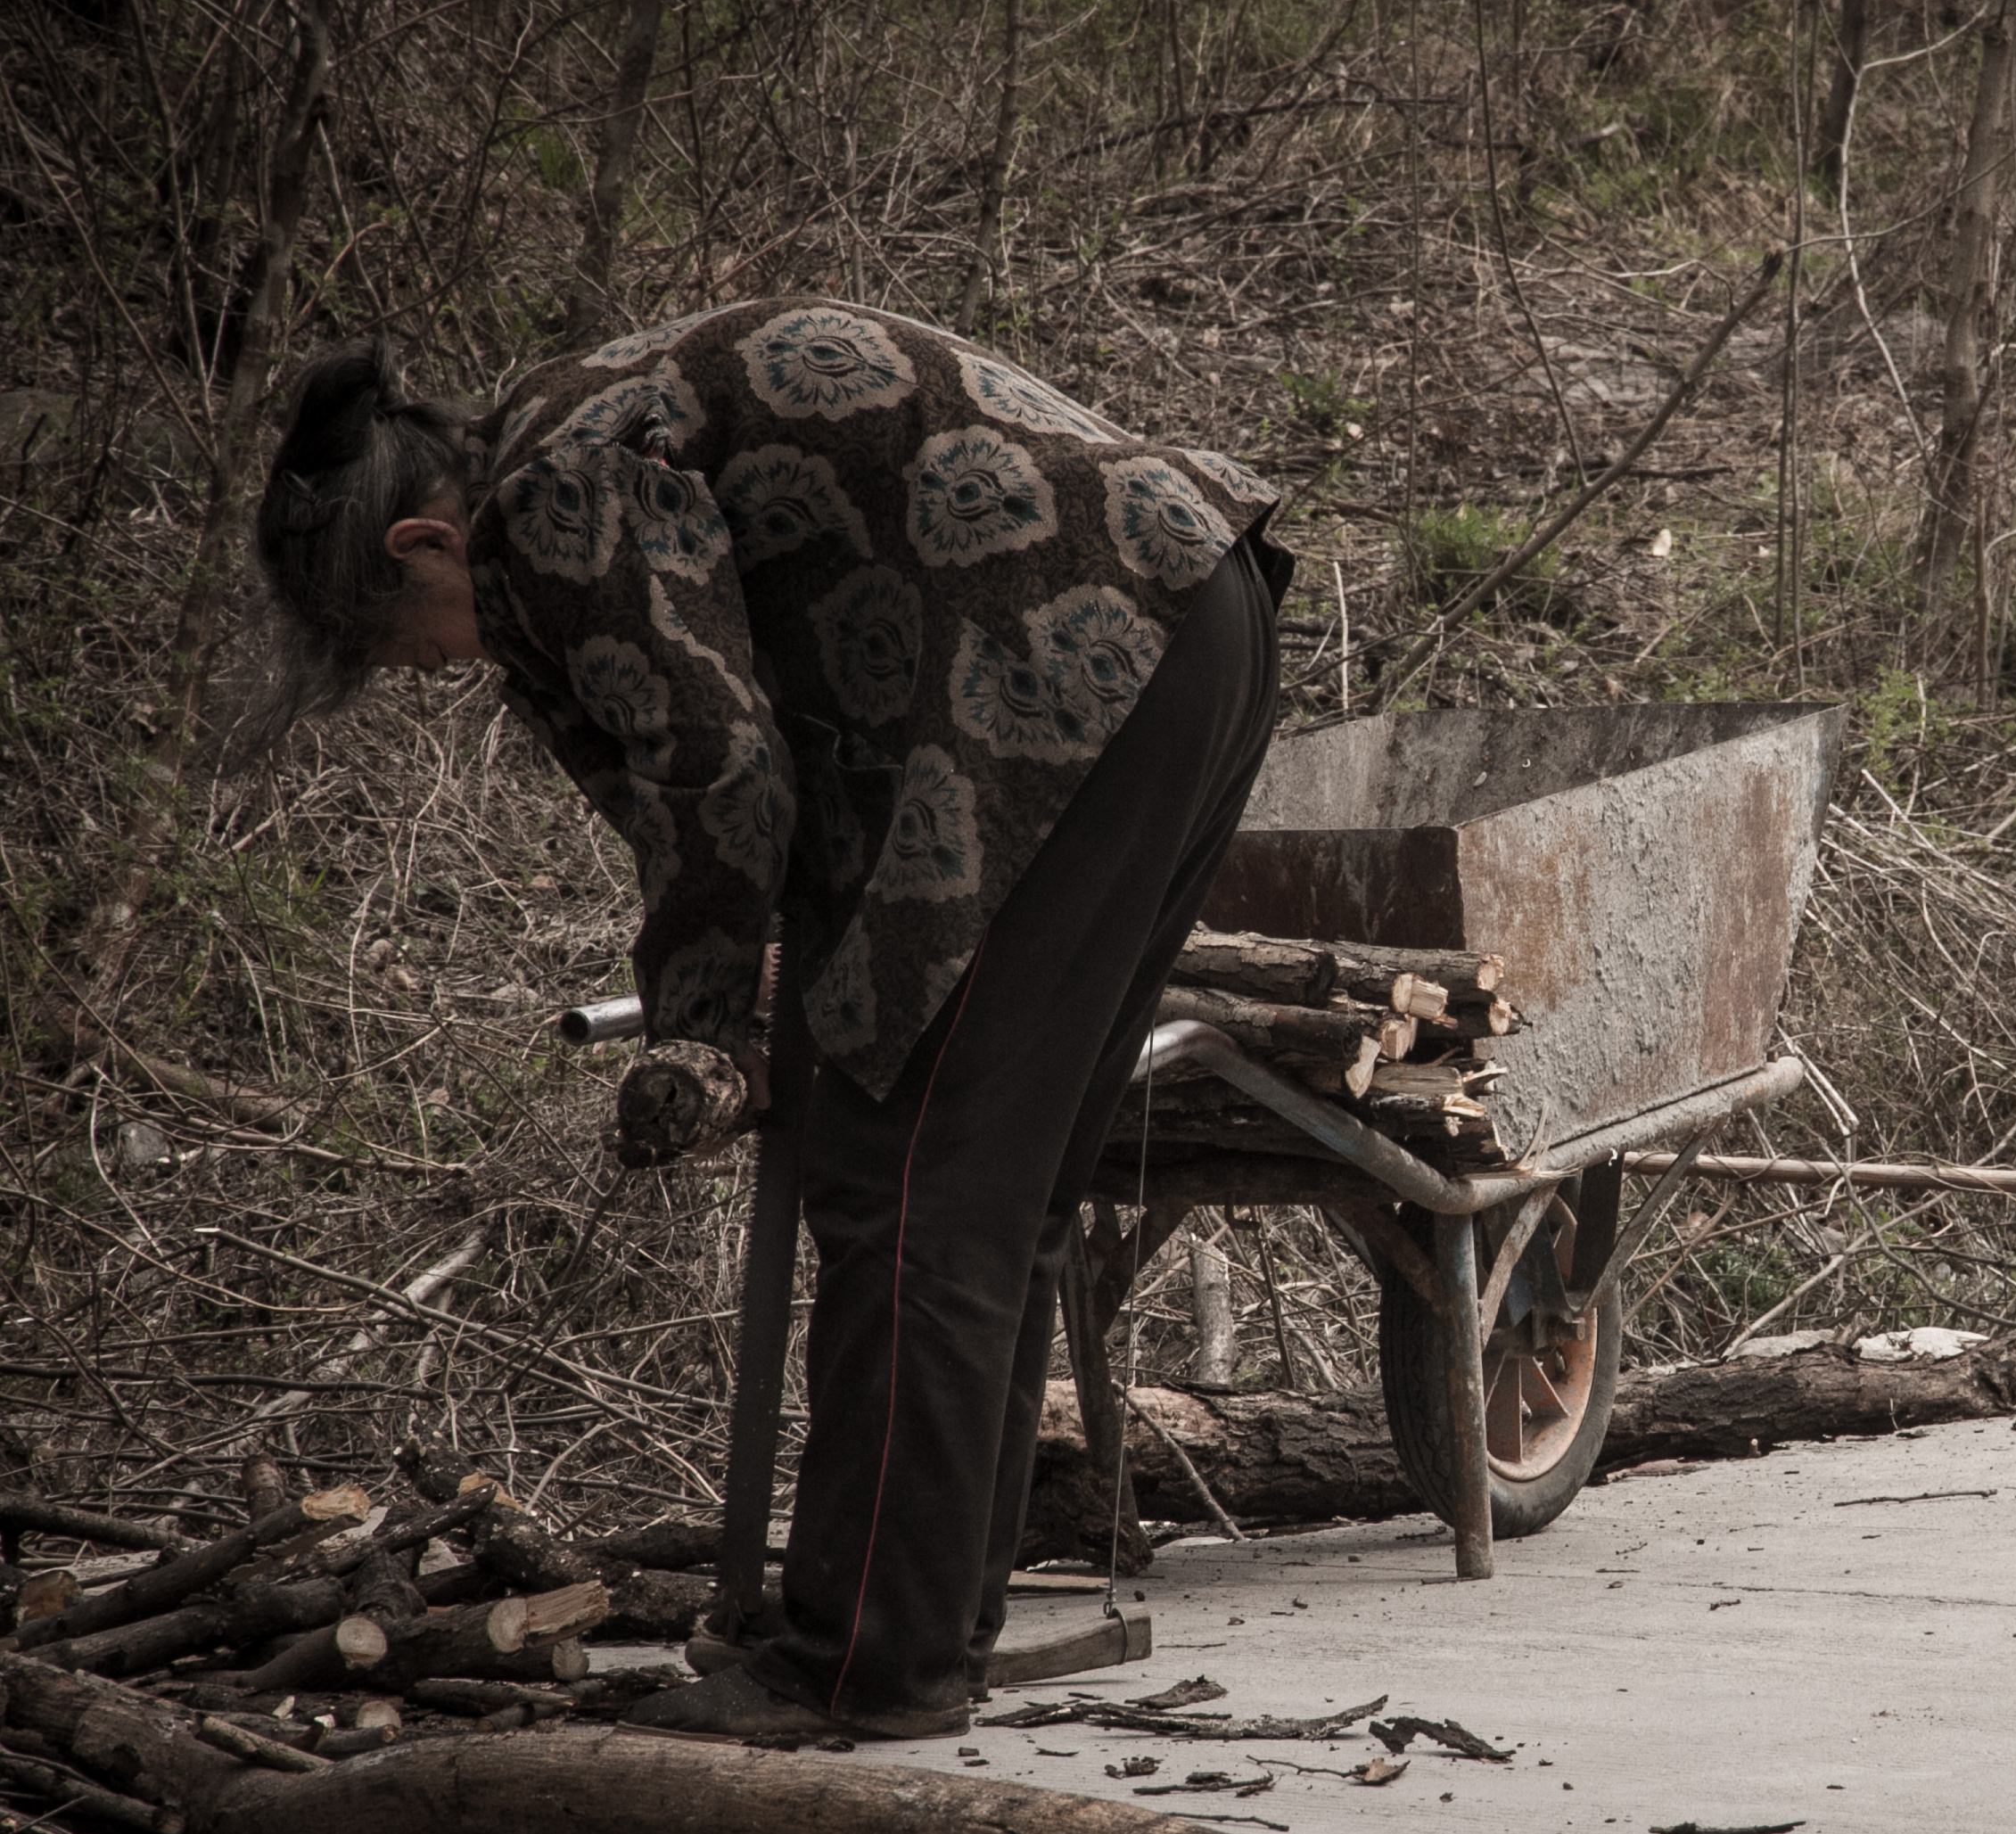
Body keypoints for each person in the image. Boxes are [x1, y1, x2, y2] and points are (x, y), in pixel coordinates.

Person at [253, 300, 1284, 1739]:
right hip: (1184, 610)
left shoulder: (544, 496)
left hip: (1063, 664)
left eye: (413, 646)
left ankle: (859, 1667)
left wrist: (703, 1018)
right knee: (994, 1185)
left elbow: (716, 760)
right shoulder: (571, 428)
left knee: (905, 1187)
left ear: (421, 546)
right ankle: (930, 1634)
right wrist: (742, 1000)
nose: (441, 669)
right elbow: (703, 751)